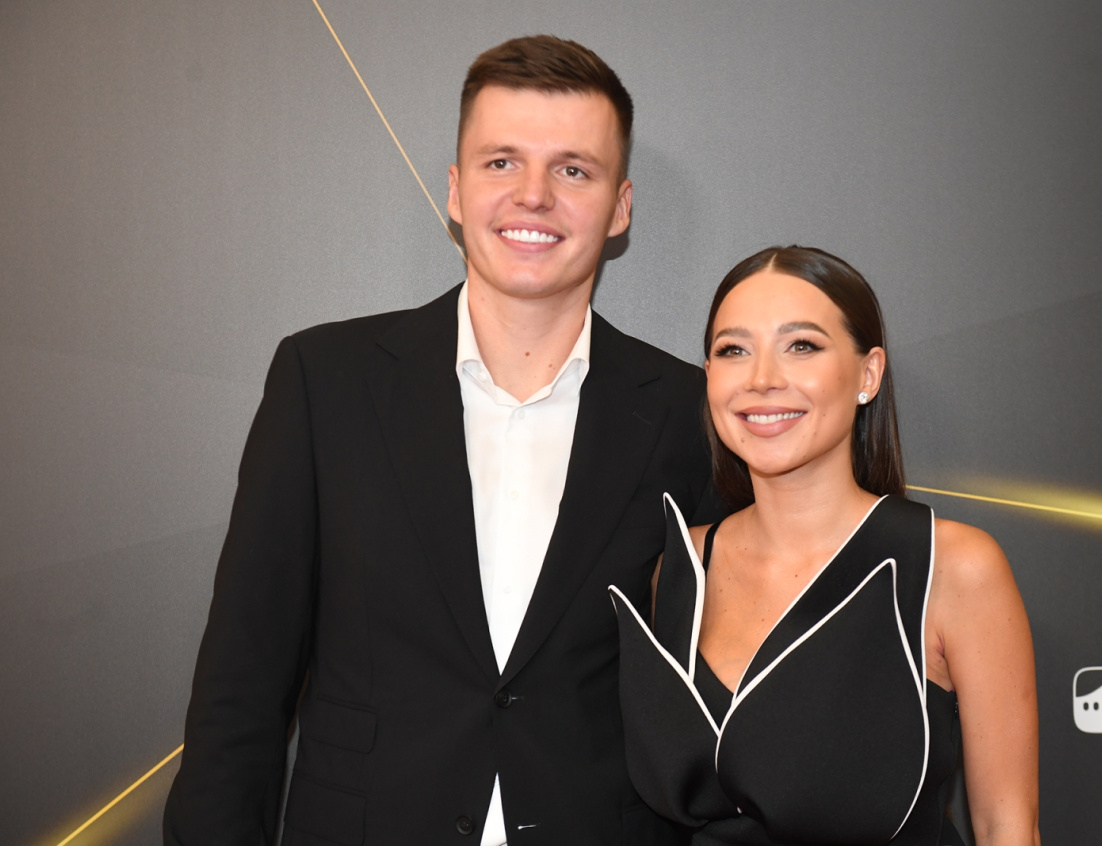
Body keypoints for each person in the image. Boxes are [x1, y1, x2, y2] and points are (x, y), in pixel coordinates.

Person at [164, 36, 720, 846]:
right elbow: (241, 684)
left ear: (621, 207)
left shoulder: (689, 411)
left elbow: (717, 696)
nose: (533, 195)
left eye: (573, 170)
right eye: (502, 162)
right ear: (457, 191)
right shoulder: (325, 381)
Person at [610, 246, 1040, 846]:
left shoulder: (952, 567)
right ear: (709, 376)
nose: (762, 378)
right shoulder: (679, 568)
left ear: (868, 374)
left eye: (801, 346)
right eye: (734, 350)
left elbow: (1006, 827)